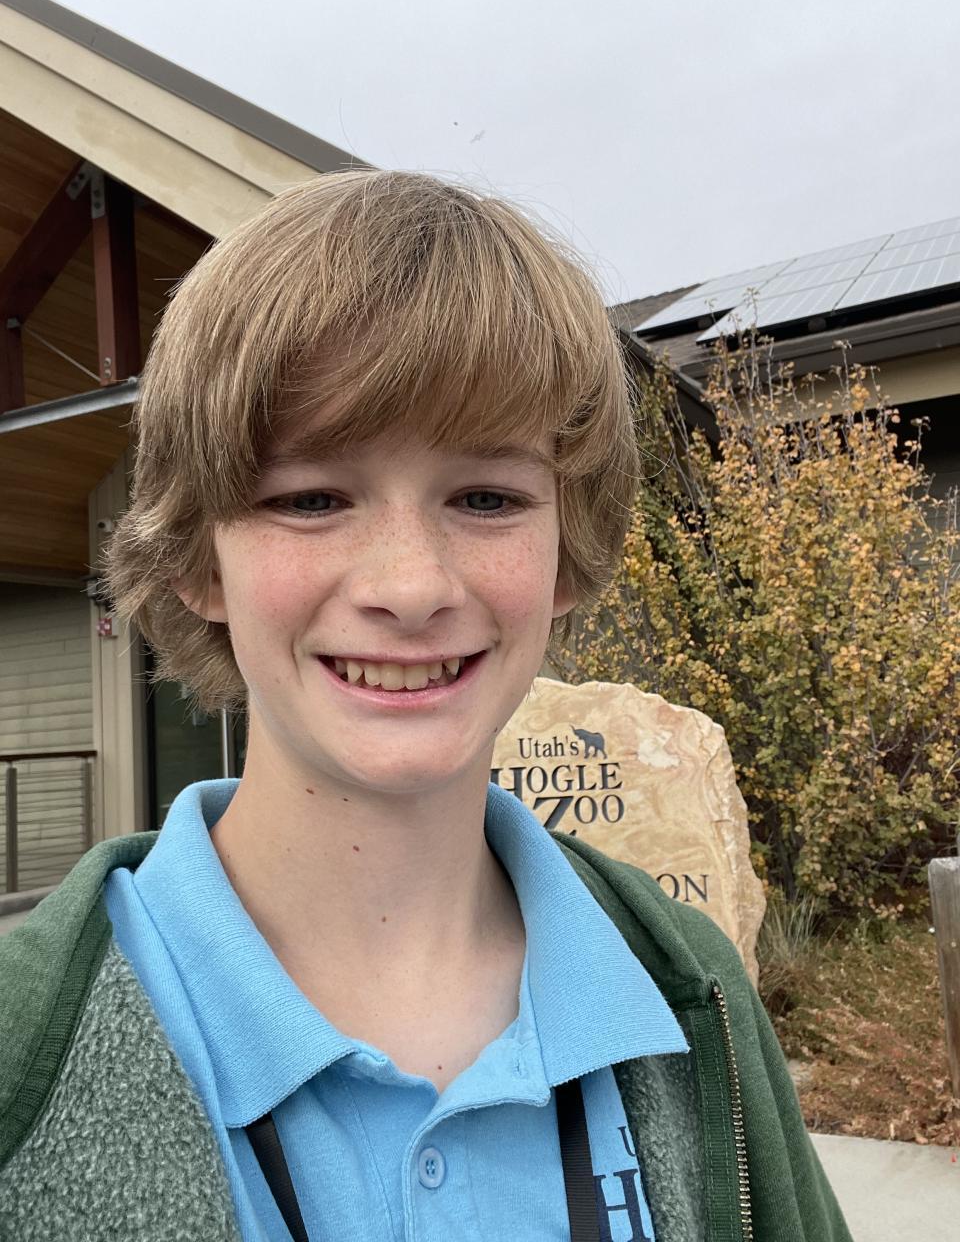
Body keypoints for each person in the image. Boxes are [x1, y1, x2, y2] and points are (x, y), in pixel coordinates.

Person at [0, 171, 850, 1241]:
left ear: (567, 553)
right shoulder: (21, 1045)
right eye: (310, 497)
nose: (410, 585)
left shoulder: (692, 989)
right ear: (196, 559)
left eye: (486, 497)